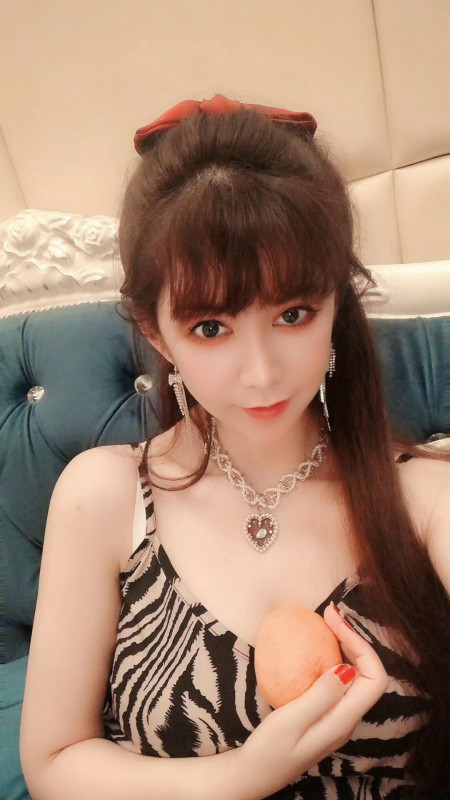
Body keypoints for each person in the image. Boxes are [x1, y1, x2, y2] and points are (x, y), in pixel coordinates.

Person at [20, 94, 450, 800]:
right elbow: (54, 760)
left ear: (335, 307)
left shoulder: (424, 500)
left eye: (293, 313)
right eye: (211, 327)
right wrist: (241, 776)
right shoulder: (105, 497)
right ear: (156, 333)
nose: (261, 373)